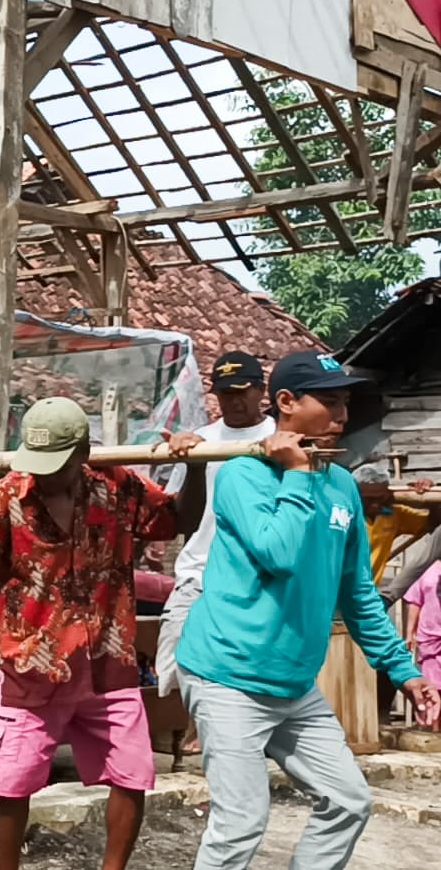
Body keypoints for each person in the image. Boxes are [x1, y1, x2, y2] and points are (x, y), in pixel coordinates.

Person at [176, 350, 440, 870]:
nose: (343, 415)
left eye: (346, 402)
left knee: (348, 801)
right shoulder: (240, 475)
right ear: (286, 403)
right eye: (331, 401)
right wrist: (295, 474)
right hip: (229, 676)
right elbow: (278, 553)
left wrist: (404, 672)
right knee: (240, 824)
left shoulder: (340, 485)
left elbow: (358, 594)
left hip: (294, 686)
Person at [0, 397, 201, 870]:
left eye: (57, 465)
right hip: (34, 663)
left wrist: (191, 466)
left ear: (84, 452)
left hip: (108, 661)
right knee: (15, 781)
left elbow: (179, 519)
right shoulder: (8, 497)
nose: (45, 475)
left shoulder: (118, 486)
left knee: (132, 773)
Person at [154, 350, 275, 757]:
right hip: (199, 568)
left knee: (245, 661)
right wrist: (191, 463)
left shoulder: (279, 438)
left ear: (261, 390)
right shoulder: (202, 440)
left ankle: (222, 735)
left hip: (253, 575)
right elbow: (184, 518)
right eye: (225, 394)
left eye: (242, 392)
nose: (234, 402)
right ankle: (203, 722)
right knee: (173, 659)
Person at [352, 463, 441, 591]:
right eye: (368, 500)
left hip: (366, 594)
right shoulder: (343, 517)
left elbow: (433, 523)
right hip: (334, 592)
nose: (375, 505)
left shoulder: (392, 515)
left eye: (380, 499)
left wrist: (428, 496)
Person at [404, 560, 441, 732]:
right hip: (430, 636)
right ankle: (433, 731)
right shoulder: (426, 569)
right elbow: (415, 602)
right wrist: (409, 633)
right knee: (432, 686)